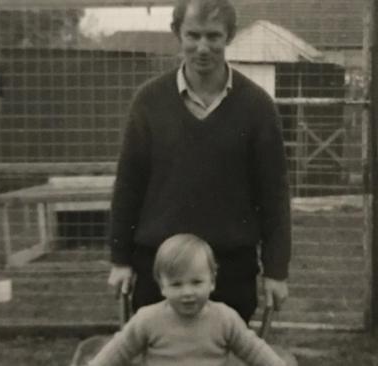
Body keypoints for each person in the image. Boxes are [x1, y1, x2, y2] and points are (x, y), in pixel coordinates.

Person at [108, 0, 291, 323]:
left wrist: (276, 270)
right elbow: (128, 187)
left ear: (230, 36)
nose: (202, 47)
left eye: (213, 36)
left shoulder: (257, 107)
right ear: (176, 33)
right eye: (193, 35)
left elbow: (273, 196)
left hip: (230, 271)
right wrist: (120, 260)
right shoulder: (148, 102)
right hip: (159, 270)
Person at [88, 234, 286, 366]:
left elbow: (254, 350)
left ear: (212, 282)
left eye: (196, 282)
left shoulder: (225, 318)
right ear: (162, 286)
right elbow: (118, 350)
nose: (187, 292)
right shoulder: (147, 319)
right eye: (176, 285)